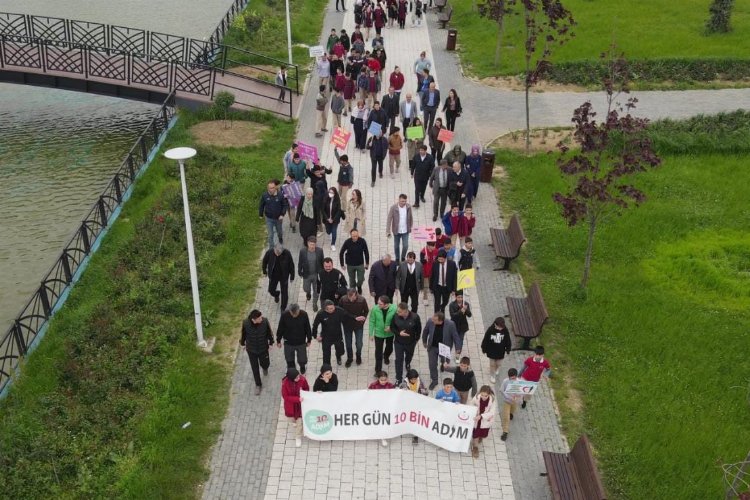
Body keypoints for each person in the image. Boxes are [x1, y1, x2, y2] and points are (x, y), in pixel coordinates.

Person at [314, 300, 364, 366]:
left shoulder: (339, 310)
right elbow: (315, 325)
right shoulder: (321, 314)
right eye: (330, 309)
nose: (332, 309)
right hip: (326, 337)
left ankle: (338, 357)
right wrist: (315, 336)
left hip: (337, 336)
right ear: (325, 309)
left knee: (340, 351)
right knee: (326, 355)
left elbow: (347, 314)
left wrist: (355, 317)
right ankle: (327, 367)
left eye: (333, 307)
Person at [421, 311, 460, 389]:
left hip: (444, 347)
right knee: (432, 364)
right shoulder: (430, 321)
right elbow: (425, 331)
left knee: (445, 362)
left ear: (441, 321)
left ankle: (443, 365)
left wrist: (458, 348)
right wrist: (424, 341)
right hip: (433, 347)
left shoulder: (450, 324)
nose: (433, 321)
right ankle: (434, 380)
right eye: (433, 319)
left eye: (435, 320)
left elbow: (455, 336)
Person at [240, 310, 274, 396]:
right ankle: (258, 385)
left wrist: (271, 343)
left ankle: (265, 368)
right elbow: (243, 335)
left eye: (261, 317)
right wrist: (242, 344)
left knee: (265, 363)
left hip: (263, 349)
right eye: (259, 318)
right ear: (253, 320)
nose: (261, 319)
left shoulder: (265, 321)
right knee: (254, 368)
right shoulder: (245, 323)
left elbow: (269, 333)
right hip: (251, 350)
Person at [390, 302, 422, 385]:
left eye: (400, 311)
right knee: (398, 360)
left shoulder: (415, 317)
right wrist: (398, 333)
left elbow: (419, 329)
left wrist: (416, 339)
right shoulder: (395, 316)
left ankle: (407, 363)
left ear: (405, 311)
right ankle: (398, 379)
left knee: (409, 356)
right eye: (398, 311)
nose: (398, 313)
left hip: (410, 343)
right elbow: (392, 327)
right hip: (398, 342)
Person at [276, 303, 312, 374]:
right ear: (289, 311)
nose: (294, 315)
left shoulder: (304, 314)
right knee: (289, 359)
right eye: (292, 314)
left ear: (299, 310)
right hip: (288, 342)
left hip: (301, 341)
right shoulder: (284, 315)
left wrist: (309, 339)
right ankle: (292, 371)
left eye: (296, 314)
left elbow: (307, 327)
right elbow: (280, 328)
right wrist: (278, 340)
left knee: (302, 358)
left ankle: (302, 367)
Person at [339, 287, 370, 366]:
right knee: (348, 343)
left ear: (356, 295)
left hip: (358, 325)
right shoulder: (343, 299)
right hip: (347, 325)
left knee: (359, 344)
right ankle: (350, 358)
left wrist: (362, 320)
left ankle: (358, 356)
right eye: (349, 297)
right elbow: (340, 310)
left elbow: (366, 311)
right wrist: (353, 317)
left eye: (352, 297)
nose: (350, 299)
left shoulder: (362, 300)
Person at [369, 295, 398, 375]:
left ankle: (386, 356)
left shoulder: (394, 308)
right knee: (378, 352)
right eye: (378, 303)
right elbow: (372, 321)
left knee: (389, 348)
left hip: (390, 333)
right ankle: (378, 370)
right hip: (378, 334)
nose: (378, 305)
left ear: (386, 304)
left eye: (380, 304)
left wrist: (391, 328)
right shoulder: (375, 309)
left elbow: (398, 320)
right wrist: (371, 333)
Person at [262, 243, 295, 310]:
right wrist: (264, 271)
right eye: (276, 252)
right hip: (273, 276)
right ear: (274, 249)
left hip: (284, 276)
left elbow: (291, 265)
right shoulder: (269, 252)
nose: (277, 254)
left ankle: (283, 308)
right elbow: (264, 262)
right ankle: (276, 294)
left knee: (284, 293)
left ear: (282, 251)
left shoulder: (287, 253)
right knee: (271, 290)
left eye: (279, 253)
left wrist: (292, 276)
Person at [281, 368, 309, 447]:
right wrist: (297, 399)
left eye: (298, 376)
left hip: (299, 406)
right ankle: (294, 422)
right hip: (290, 406)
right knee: (291, 419)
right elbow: (285, 396)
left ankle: (298, 437)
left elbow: (306, 388)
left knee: (299, 423)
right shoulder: (285, 384)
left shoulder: (302, 380)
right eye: (296, 377)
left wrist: (304, 394)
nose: (298, 378)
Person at [399, 368, 428, 444]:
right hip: (408, 404)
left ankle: (415, 436)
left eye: (415, 379)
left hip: (417, 404)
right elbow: (400, 393)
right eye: (412, 379)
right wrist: (403, 391)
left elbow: (425, 392)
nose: (414, 381)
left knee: (416, 420)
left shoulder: (420, 382)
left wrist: (423, 392)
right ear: (408, 379)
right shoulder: (404, 384)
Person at [368, 370, 395, 447]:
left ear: (387, 378)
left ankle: (383, 436)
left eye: (385, 380)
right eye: (381, 380)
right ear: (378, 379)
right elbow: (368, 395)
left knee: (384, 422)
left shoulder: (390, 385)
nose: (383, 382)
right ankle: (381, 435)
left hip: (387, 407)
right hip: (376, 407)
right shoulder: (373, 385)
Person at [481, 317, 512, 384]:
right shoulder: (490, 330)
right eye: (499, 327)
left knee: (499, 363)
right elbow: (485, 340)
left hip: (500, 351)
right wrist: (484, 348)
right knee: (492, 364)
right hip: (491, 351)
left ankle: (497, 368)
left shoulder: (505, 330)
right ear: (495, 324)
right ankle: (492, 376)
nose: (500, 329)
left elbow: (508, 340)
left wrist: (508, 349)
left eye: (501, 327)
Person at [259, 180, 288, 249]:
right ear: (267, 188)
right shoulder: (265, 195)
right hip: (269, 218)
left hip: (278, 218)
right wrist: (260, 214)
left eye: (273, 188)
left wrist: (282, 214)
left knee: (279, 232)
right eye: (270, 188)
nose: (271, 189)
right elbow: (261, 205)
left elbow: (285, 205)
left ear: (275, 188)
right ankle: (271, 248)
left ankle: (280, 238)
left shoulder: (280, 195)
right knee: (270, 235)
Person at [298, 236, 324, 312]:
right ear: (307, 244)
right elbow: (300, 262)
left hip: (316, 275)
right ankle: (308, 293)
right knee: (306, 288)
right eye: (311, 244)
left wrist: (322, 273)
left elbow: (322, 262)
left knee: (316, 291)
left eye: (314, 244)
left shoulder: (320, 251)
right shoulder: (303, 251)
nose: (312, 246)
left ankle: (314, 303)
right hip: (307, 274)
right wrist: (299, 270)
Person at [339, 228, 370, 293]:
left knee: (361, 279)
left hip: (360, 264)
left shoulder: (362, 241)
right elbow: (341, 253)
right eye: (354, 236)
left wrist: (367, 263)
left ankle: (359, 286)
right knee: (352, 280)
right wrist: (342, 264)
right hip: (350, 264)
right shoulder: (347, 242)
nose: (355, 237)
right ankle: (353, 292)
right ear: (351, 235)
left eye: (356, 236)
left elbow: (366, 252)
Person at [469, 386, 497, 458]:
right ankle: (475, 447)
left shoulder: (492, 400)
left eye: (486, 396)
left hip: (485, 420)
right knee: (476, 434)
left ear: (489, 394)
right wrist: (474, 412)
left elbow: (491, 412)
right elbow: (471, 404)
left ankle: (480, 437)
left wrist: (481, 416)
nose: (483, 397)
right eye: (482, 395)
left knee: (483, 434)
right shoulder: (477, 397)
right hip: (477, 420)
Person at [386, 194, 413, 261]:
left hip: (405, 230)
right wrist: (388, 231)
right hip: (396, 231)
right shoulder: (393, 207)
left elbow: (411, 217)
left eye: (405, 201)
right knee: (396, 246)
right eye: (402, 201)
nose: (403, 203)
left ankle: (403, 257)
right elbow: (389, 219)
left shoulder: (408, 207)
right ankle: (397, 258)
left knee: (405, 246)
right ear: (399, 200)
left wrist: (411, 226)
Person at [499, 368, 522, 441]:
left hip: (515, 400)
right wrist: (507, 396)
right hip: (507, 401)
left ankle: (511, 413)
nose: (511, 379)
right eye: (510, 377)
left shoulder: (520, 382)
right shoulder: (505, 381)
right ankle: (505, 431)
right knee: (506, 416)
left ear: (516, 376)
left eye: (513, 377)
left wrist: (518, 396)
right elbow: (501, 390)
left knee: (513, 409)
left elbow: (522, 392)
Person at [448, 291, 471, 360]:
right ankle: (453, 350)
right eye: (458, 297)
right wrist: (460, 311)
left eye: (461, 297)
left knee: (460, 340)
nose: (460, 299)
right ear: (455, 297)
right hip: (454, 325)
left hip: (462, 326)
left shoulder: (465, 304)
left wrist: (466, 310)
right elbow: (453, 316)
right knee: (454, 340)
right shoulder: (452, 305)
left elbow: (469, 315)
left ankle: (457, 355)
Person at [322, 187, 344, 252]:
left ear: (335, 193)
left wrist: (333, 219)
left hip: (335, 220)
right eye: (330, 192)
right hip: (327, 219)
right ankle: (330, 233)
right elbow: (322, 210)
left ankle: (333, 244)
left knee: (334, 231)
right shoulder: (325, 199)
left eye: (332, 192)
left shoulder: (337, 200)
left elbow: (338, 211)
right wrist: (327, 218)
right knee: (328, 231)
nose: (330, 194)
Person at [419, 240, 438, 306]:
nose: (432, 248)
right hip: (425, 271)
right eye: (431, 246)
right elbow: (421, 261)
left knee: (432, 283)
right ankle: (425, 298)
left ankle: (431, 289)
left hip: (433, 271)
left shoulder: (436, 251)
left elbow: (437, 260)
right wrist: (424, 259)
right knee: (425, 286)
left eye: (433, 246)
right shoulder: (423, 252)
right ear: (428, 245)